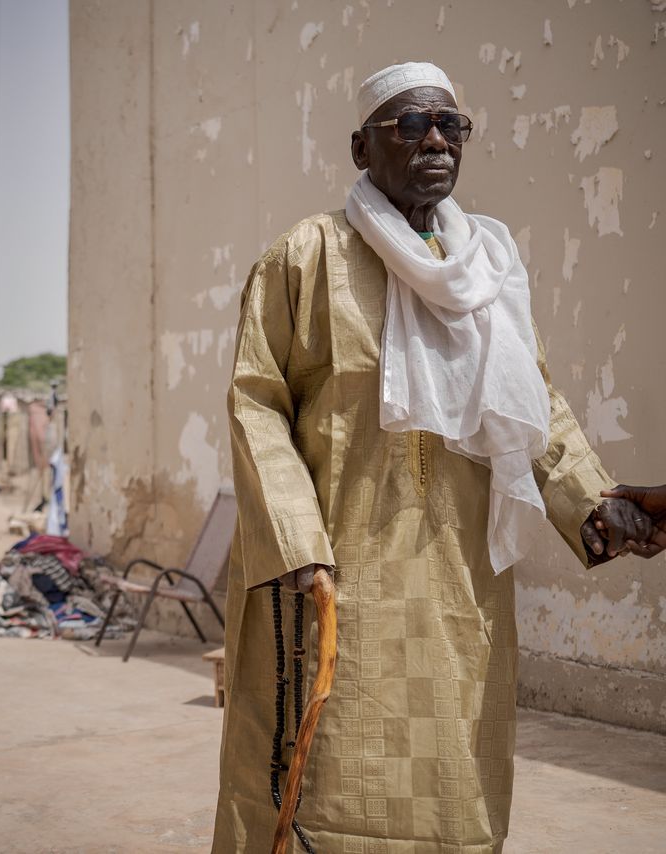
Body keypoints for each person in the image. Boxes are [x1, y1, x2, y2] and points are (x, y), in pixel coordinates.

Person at [212, 62, 653, 853]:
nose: (438, 140)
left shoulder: (488, 267)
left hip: (461, 586)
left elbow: (532, 405)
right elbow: (255, 401)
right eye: (411, 125)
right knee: (325, 785)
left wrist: (598, 504)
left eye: (453, 127)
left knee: (456, 793)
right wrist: (298, 547)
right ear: (361, 147)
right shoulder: (307, 257)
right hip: (335, 583)